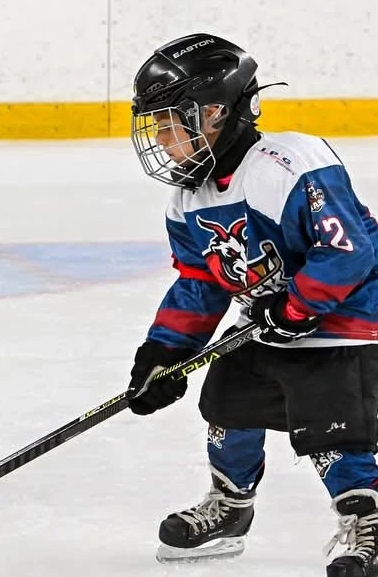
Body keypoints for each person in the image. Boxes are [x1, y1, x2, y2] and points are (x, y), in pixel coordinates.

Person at [124, 33, 378, 576]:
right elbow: (202, 280)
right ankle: (230, 506)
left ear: (214, 112)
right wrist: (164, 350)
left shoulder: (289, 163)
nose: (162, 140)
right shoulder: (188, 198)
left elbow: (348, 251)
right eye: (157, 126)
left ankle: (367, 517)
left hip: (348, 316)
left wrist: (295, 310)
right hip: (270, 318)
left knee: (329, 421)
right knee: (228, 402)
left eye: (170, 123)